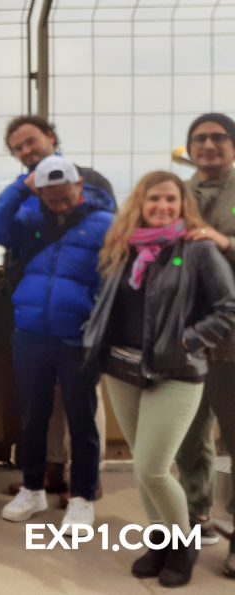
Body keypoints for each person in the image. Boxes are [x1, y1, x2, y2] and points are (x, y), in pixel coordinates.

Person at [84, 170, 235, 587]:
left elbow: (227, 307)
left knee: (153, 469)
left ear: (182, 203)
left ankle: (183, 546)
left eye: (170, 199)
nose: (162, 207)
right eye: (154, 199)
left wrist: (187, 341)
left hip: (178, 371)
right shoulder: (122, 246)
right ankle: (161, 542)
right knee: (141, 468)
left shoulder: (197, 250)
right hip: (121, 368)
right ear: (140, 203)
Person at [0, 156, 111, 529]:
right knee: (33, 416)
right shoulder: (30, 218)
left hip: (77, 336)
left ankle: (82, 497)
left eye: (66, 198)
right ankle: (32, 488)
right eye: (51, 199)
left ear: (79, 189)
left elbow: (114, 278)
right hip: (31, 333)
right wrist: (22, 188)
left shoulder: (103, 224)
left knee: (81, 420)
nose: (60, 205)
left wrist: (96, 324)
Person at [175, 113, 235, 571]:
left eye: (219, 137)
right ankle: (197, 517)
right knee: (189, 436)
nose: (209, 145)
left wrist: (225, 242)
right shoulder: (178, 194)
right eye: (200, 138)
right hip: (187, 338)